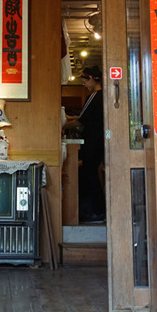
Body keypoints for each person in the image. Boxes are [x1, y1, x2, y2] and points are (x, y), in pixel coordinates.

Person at [62, 65, 106, 223]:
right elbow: (81, 117)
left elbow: (80, 121)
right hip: (97, 141)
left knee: (90, 173)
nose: (85, 86)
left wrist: (59, 126)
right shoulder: (102, 96)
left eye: (85, 82)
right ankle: (96, 211)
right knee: (90, 173)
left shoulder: (95, 96)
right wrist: (66, 117)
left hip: (93, 141)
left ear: (93, 80)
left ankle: (97, 212)